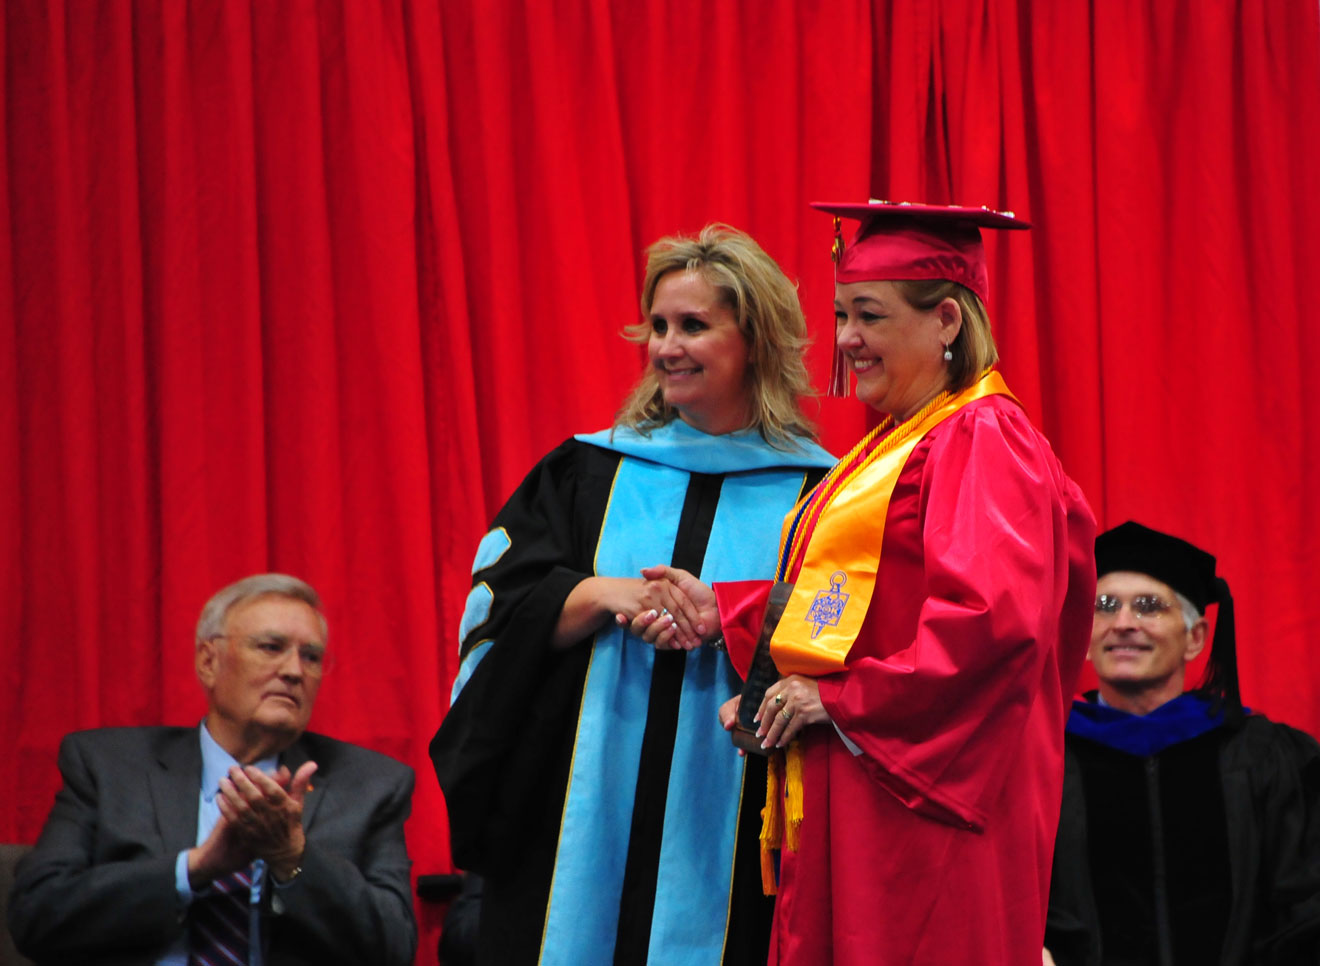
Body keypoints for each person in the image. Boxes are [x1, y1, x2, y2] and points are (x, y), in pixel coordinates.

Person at [634, 201, 1097, 965]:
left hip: (926, 813)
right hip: (865, 792)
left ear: (947, 319)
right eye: (843, 313)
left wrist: (838, 698)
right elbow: (860, 603)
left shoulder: (984, 438)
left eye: (869, 316)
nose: (845, 339)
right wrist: (727, 612)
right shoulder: (903, 440)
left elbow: (992, 622)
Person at [429, 224, 835, 966]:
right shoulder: (585, 473)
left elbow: (846, 641)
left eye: (693, 326)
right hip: (579, 816)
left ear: (756, 341)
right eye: (657, 326)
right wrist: (596, 595)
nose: (666, 346)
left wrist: (732, 618)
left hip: (743, 820)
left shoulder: (821, 495)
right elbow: (498, 615)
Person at [7, 573, 417, 966]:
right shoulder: (109, 766)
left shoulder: (371, 785)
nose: (295, 671)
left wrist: (292, 857)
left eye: (311, 657)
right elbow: (36, 916)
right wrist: (195, 869)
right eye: (271, 647)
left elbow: (394, 947)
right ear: (208, 661)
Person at [1045, 521, 1320, 965]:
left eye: (1149, 606)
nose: (1123, 623)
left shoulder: (1263, 758)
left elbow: (1303, 909)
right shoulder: (1047, 762)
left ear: (1195, 639)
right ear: (1081, 635)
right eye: (1104, 606)